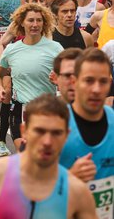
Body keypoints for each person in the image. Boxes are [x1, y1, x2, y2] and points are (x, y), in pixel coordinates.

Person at [0, 94, 97, 219]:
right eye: (39, 131)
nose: (47, 141)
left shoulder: (76, 191)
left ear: (66, 135)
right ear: (24, 130)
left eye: (56, 133)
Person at [0, 3, 63, 152]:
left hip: (47, 109)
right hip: (20, 110)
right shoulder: (12, 50)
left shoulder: (55, 48)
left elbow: (69, 78)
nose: (35, 24)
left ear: (44, 23)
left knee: (42, 156)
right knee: (26, 154)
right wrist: (0, 89)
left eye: (39, 20)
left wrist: (59, 81)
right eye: (31, 20)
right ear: (22, 23)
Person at [59, 48, 114, 219]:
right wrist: (68, 178)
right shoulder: (53, 126)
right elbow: (27, 189)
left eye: (103, 81)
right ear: (74, 82)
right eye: (89, 81)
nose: (96, 89)